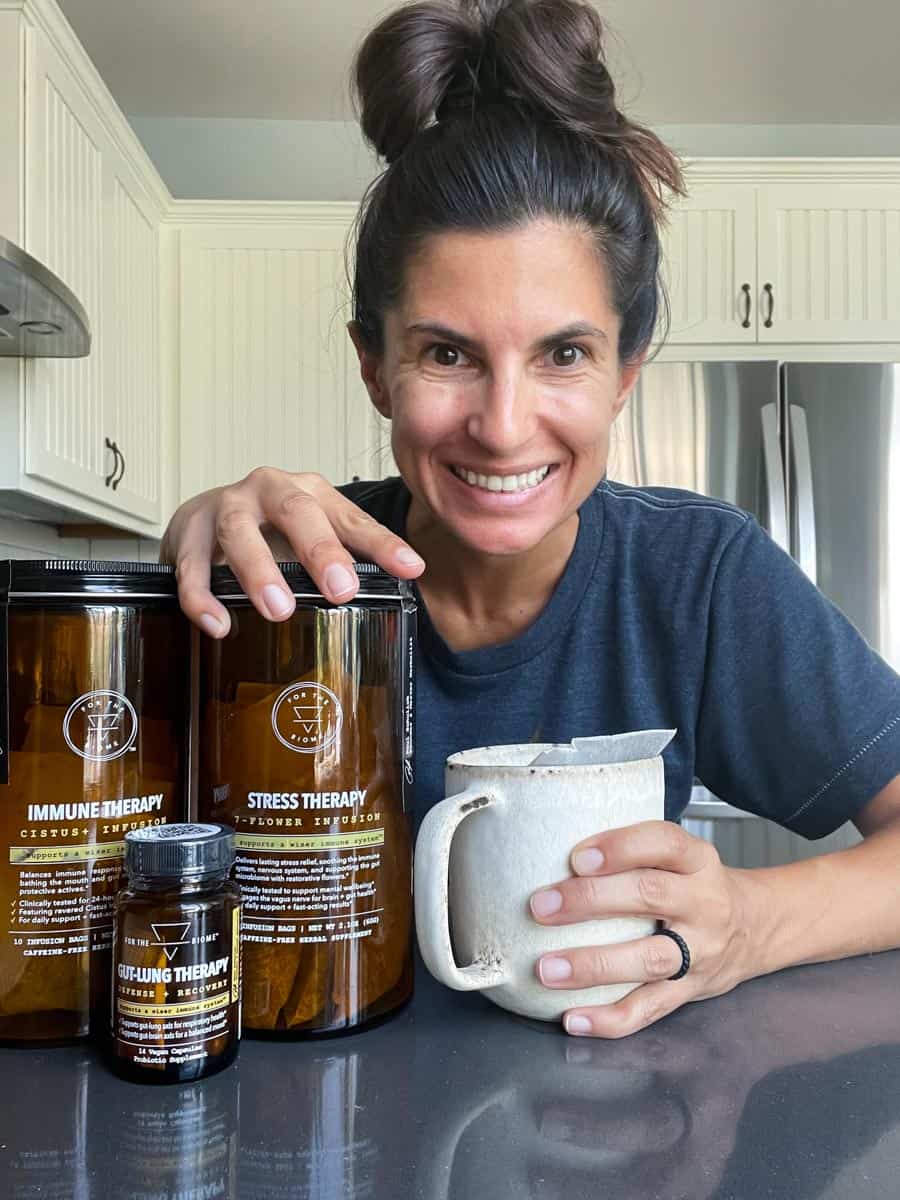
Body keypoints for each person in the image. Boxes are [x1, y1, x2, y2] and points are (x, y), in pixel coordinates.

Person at [162, 0, 900, 1039]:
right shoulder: (301, 585)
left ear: (624, 374)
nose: (504, 429)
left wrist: (751, 921)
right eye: (448, 353)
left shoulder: (699, 578)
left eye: (563, 353)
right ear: (374, 366)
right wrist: (182, 569)